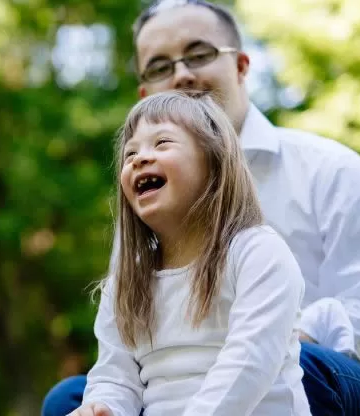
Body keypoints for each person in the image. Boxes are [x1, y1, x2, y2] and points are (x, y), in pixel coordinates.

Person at [43, 0, 360, 415]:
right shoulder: (147, 211)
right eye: (160, 67)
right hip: (199, 392)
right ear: (145, 95)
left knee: (290, 364)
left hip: (344, 386)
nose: (182, 75)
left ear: (242, 66)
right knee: (74, 400)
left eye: (199, 54)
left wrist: (284, 328)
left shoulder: (330, 169)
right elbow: (128, 359)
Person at [72, 90, 310, 416]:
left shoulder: (258, 253)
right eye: (130, 154)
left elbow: (249, 361)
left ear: (213, 162)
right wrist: (102, 408)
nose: (140, 158)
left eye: (162, 143)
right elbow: (116, 378)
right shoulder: (125, 284)